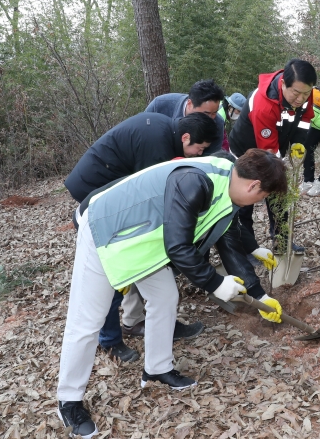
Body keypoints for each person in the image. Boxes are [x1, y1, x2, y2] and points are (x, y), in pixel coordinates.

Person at [57, 150, 288, 439]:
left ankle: (156, 369)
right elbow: (179, 247)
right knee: (87, 321)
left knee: (165, 296)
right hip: (106, 230)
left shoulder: (230, 182)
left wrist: (258, 290)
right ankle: (69, 401)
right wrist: (215, 283)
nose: (258, 202)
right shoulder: (195, 182)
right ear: (254, 185)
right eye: (262, 197)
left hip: (146, 242)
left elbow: (227, 236)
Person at [63, 112, 218, 362]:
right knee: (113, 269)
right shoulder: (157, 146)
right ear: (186, 137)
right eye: (199, 149)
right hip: (95, 187)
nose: (199, 154)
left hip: (111, 182)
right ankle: (110, 339)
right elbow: (147, 197)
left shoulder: (167, 133)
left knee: (140, 263)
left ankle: (144, 320)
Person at [229, 59, 317, 254]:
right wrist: (280, 173)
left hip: (275, 145)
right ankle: (246, 248)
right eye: (296, 93)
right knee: (244, 201)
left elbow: (305, 119)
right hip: (245, 151)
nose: (301, 99)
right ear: (283, 84)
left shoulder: (304, 91)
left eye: (306, 94)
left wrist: (298, 143)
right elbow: (268, 152)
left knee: (278, 196)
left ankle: (281, 241)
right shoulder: (263, 104)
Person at [145, 79, 226, 154]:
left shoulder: (218, 123)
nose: (211, 119)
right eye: (206, 113)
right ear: (190, 104)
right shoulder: (159, 106)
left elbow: (210, 157)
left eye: (214, 113)